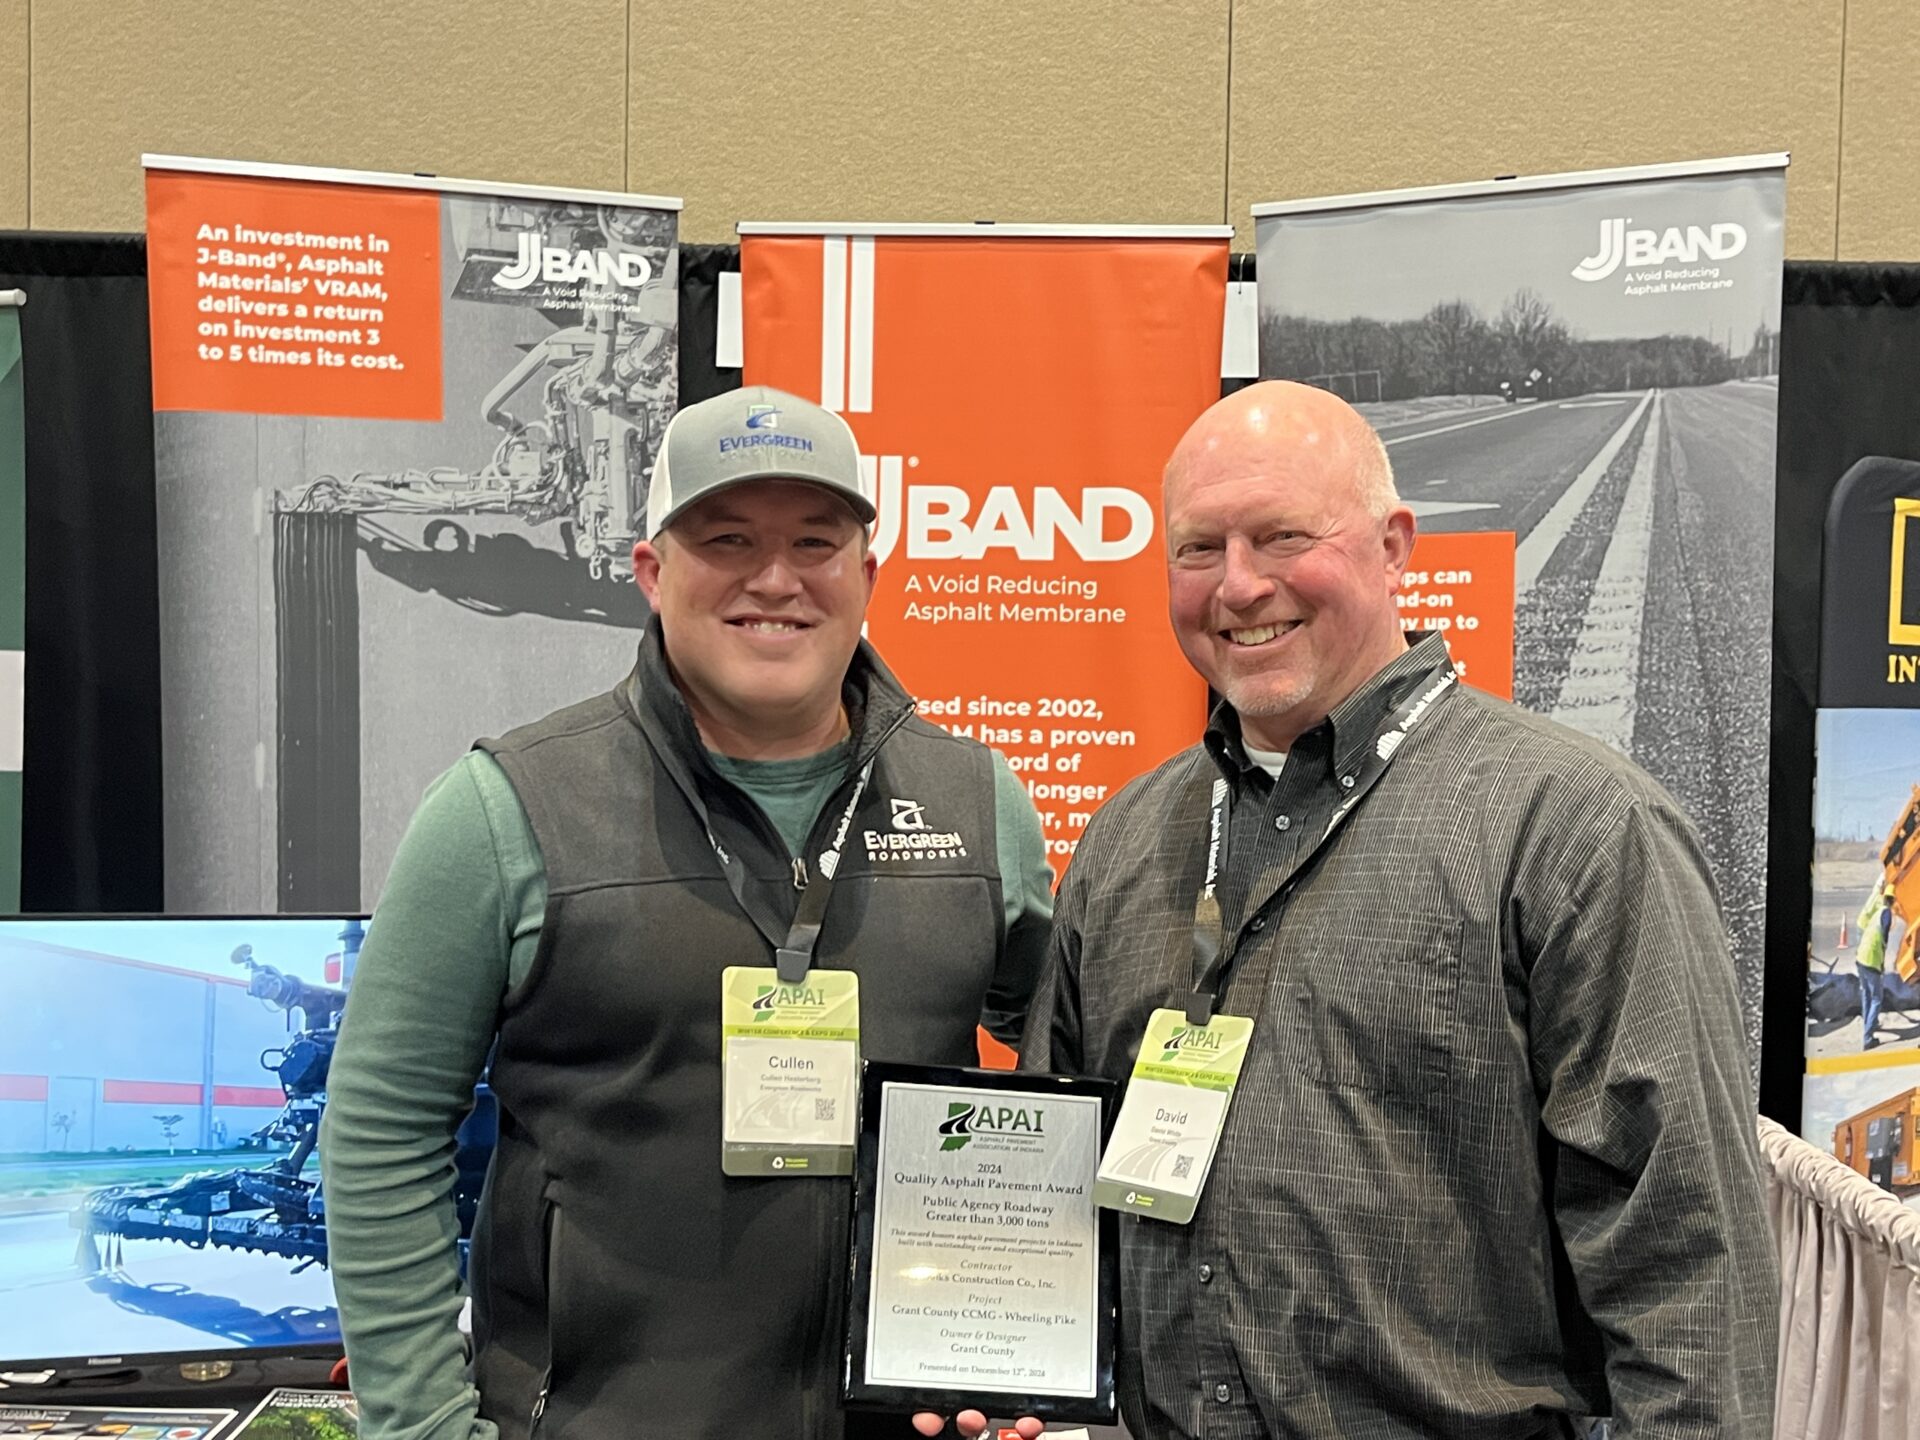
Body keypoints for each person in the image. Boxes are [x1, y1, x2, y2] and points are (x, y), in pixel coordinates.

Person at [990, 381, 1776, 1439]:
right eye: (1197, 549)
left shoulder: (1577, 828)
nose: (1238, 586)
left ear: (1396, 544)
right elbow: (1056, 1201)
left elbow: (1688, 1273)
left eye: (1282, 537)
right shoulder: (1126, 842)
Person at [319, 385, 1056, 1440]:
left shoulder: (979, 807)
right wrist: (425, 1428)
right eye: (727, 539)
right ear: (652, 572)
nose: (776, 578)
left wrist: (1019, 1335)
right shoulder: (506, 808)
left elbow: (1062, 1076)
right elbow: (380, 1131)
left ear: (868, 575)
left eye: (816, 540)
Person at [1857, 882, 1896, 1048]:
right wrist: (1881, 965)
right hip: (1872, 959)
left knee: (1866, 995)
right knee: (1876, 999)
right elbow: (1883, 940)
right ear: (1893, 900)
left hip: (1861, 958)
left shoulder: (1877, 912)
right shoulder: (1886, 913)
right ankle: (1867, 1039)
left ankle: (1868, 1025)